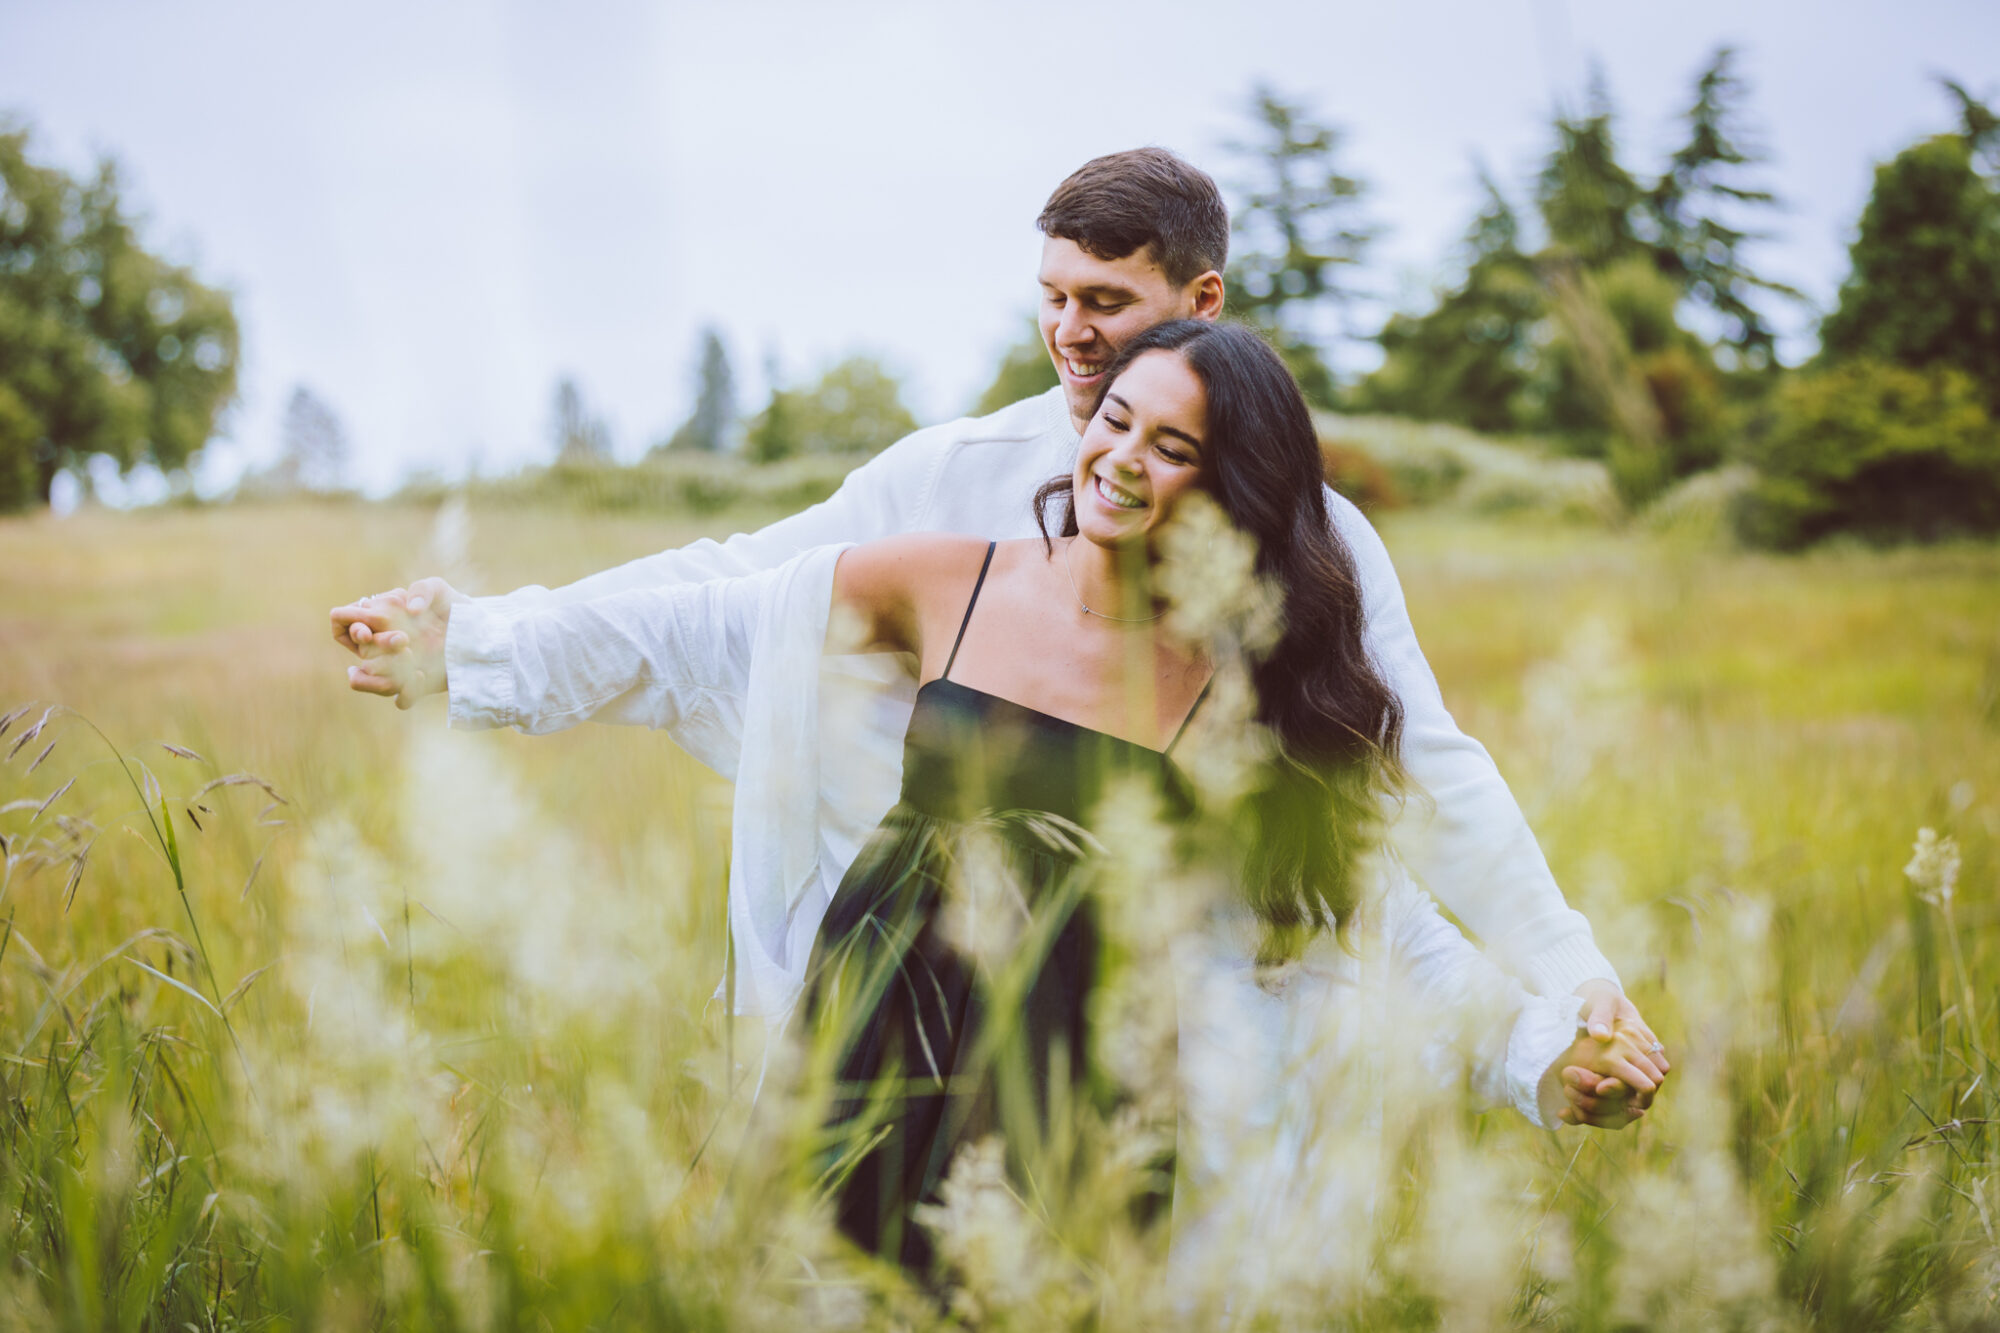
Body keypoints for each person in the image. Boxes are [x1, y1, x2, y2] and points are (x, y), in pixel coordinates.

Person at [332, 147, 1663, 1128]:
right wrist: (489, 639)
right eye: (1055, 296)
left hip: (1147, 1045)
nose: (1071, 334)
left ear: (1203, 294)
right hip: (904, 1005)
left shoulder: (1308, 556)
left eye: (1109, 302)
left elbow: (1416, 795)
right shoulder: (949, 486)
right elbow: (736, 597)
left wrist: (1571, 991)